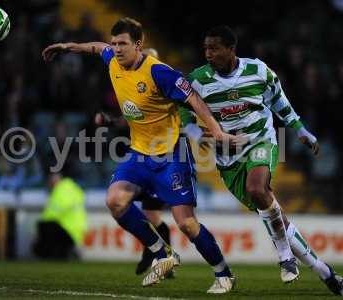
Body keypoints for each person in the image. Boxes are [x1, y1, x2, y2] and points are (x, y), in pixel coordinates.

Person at [43, 17, 244, 293]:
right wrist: (67, 46)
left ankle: (224, 274)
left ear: (138, 45)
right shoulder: (112, 60)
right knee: (115, 200)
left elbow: (194, 100)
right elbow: (95, 47)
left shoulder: (160, 72)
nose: (116, 49)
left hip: (171, 153)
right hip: (139, 153)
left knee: (186, 223)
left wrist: (217, 132)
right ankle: (163, 254)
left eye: (122, 44)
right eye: (114, 44)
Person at [180, 25, 343, 295]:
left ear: (231, 49)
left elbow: (279, 100)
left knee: (258, 189)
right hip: (228, 160)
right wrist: (196, 133)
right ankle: (326, 273)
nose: (208, 53)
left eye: (214, 48)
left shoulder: (257, 70)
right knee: (278, 218)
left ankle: (284, 257)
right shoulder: (199, 79)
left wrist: (299, 129)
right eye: (205, 48)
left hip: (260, 140)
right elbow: (182, 108)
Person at [95, 47, 172, 276]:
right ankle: (159, 255)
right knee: (136, 209)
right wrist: (108, 120)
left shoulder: (165, 89)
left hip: (163, 161)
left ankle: (158, 255)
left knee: (154, 216)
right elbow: (127, 120)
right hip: (140, 159)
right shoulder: (135, 93)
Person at [33, 173, 87, 260]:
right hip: (77, 232)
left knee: (44, 225)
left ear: (53, 181)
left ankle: (55, 253)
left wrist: (37, 235)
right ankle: (67, 251)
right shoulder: (74, 189)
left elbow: (51, 215)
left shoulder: (61, 190)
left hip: (68, 230)